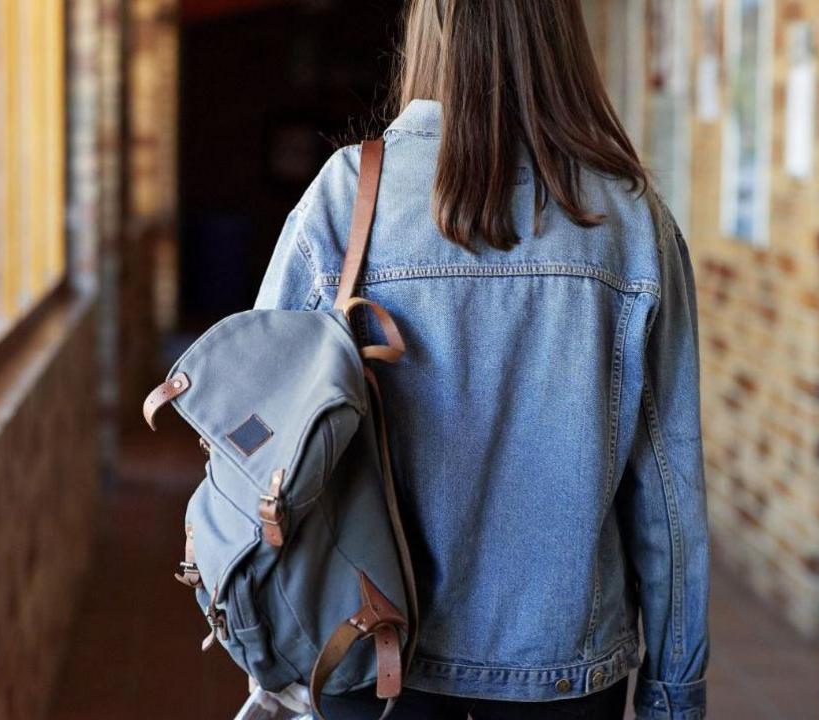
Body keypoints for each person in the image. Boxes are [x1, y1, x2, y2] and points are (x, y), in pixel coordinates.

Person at [254, 1, 709, 718]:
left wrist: (267, 660)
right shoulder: (630, 221)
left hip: (366, 655)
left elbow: (261, 446)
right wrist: (675, 693)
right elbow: (669, 499)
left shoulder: (345, 200)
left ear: (429, 30)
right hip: (563, 674)